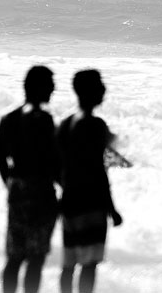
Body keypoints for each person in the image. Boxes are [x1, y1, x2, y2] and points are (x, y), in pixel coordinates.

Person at [57, 69, 123, 293]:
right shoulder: (95, 125)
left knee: (69, 263)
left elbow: (56, 165)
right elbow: (98, 170)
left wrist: (66, 189)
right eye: (100, 85)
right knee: (89, 264)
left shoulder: (65, 125)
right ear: (94, 91)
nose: (104, 89)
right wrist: (112, 208)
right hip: (92, 203)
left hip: (69, 201)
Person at [0, 66, 59, 293]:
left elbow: (1, 161)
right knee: (36, 258)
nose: (54, 88)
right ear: (38, 87)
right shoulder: (44, 119)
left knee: (14, 257)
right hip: (41, 192)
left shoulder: (7, 120)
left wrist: (13, 186)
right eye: (50, 84)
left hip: (17, 192)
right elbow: (52, 161)